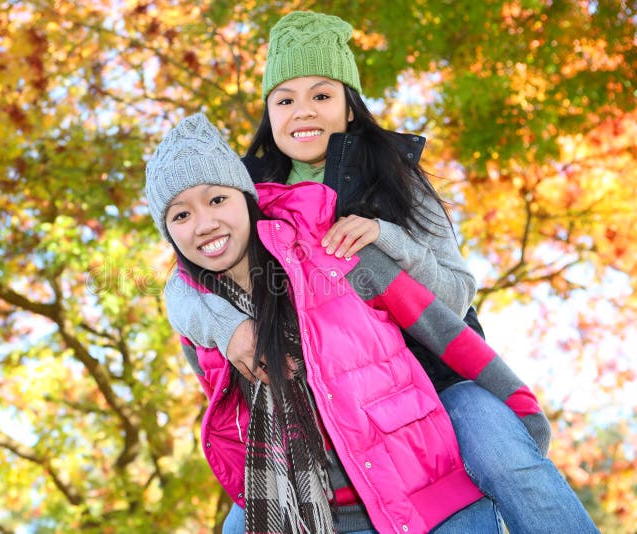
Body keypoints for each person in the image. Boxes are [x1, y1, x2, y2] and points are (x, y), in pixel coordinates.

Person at [162, 11, 599, 534]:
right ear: (268, 113)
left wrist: (386, 239)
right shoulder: (247, 197)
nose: (304, 112)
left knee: (505, 452)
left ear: (350, 105)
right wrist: (225, 328)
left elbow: (456, 295)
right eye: (285, 99)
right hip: (336, 397)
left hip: (438, 379)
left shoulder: (398, 177)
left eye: (322, 95)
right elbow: (183, 281)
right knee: (245, 519)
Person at [146, 112, 518, 533]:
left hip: (425, 492)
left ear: (246, 199)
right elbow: (238, 423)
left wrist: (517, 402)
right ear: (169, 233)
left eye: (217, 200)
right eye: (180, 215)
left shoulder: (331, 253)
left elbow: (441, 327)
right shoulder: (200, 329)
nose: (205, 223)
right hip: (318, 513)